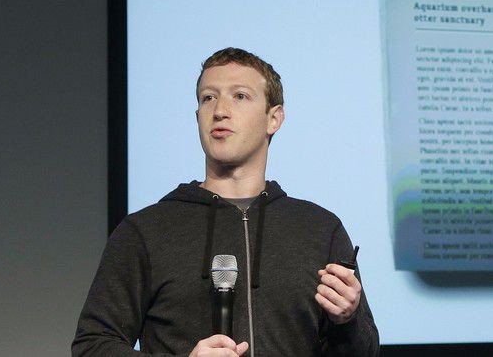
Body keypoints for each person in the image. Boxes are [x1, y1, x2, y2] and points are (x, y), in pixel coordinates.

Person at [73, 47, 379, 356]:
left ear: (274, 118)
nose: (219, 110)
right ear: (198, 118)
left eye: (240, 96)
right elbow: (92, 346)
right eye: (208, 98)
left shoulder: (320, 230)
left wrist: (349, 321)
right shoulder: (146, 231)